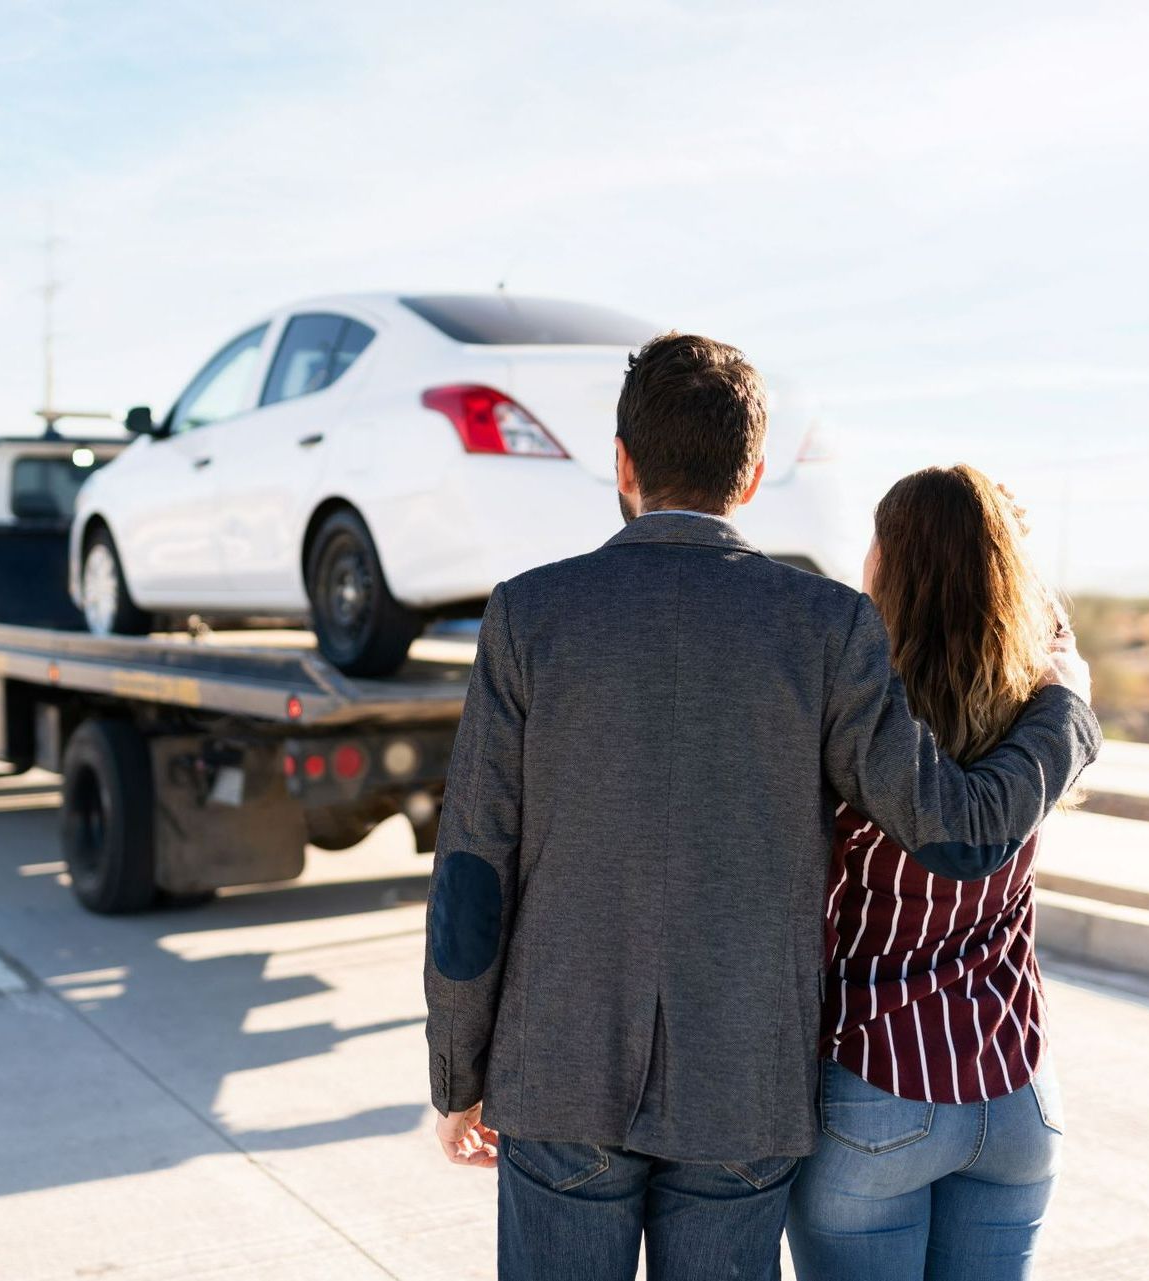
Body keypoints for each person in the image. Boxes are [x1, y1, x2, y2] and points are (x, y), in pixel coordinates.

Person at [422, 333, 1099, 1281]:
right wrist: (1064, 707)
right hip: (742, 1089)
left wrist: (459, 1070)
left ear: (621, 464)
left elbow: (470, 871)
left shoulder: (527, 614)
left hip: (559, 1075)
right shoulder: (829, 624)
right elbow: (957, 832)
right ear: (752, 476)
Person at [786, 466, 1073, 1280]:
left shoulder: (857, 726)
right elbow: (1056, 641)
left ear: (889, 563)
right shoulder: (1035, 720)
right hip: (1015, 1093)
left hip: (877, 1091)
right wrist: (1009, 550)